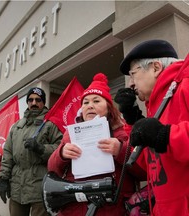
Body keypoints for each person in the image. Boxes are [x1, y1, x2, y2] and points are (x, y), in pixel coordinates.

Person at [47, 73, 146, 216]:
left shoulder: (123, 133)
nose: (90, 106)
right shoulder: (70, 134)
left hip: (111, 210)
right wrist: (61, 154)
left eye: (96, 101)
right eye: (85, 102)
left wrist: (120, 150)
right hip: (74, 210)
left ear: (109, 107)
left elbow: (143, 172)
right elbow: (52, 169)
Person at [116, 39, 189, 216]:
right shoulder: (155, 107)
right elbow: (151, 165)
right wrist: (133, 120)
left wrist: (165, 136)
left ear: (156, 67)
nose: (130, 84)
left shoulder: (185, 86)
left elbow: (165, 139)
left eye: (133, 74)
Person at [0, 87, 63, 216]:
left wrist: (41, 148)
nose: (34, 103)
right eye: (30, 100)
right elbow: (8, 153)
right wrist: (4, 180)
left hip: (40, 185)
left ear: (43, 102)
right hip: (17, 186)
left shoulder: (50, 124)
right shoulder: (17, 126)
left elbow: (60, 149)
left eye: (38, 100)